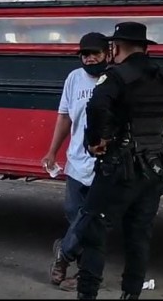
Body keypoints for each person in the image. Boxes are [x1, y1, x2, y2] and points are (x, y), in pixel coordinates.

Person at [66, 21, 163, 300]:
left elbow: (96, 105)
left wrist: (95, 141)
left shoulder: (115, 77)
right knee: (139, 235)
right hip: (154, 168)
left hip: (119, 166)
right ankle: (131, 294)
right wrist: (162, 145)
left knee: (94, 230)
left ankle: (87, 294)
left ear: (117, 47)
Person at [41, 32, 108, 291]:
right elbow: (64, 116)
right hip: (76, 163)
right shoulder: (74, 78)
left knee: (91, 220)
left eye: (96, 54)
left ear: (107, 54)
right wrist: (52, 151)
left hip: (102, 164)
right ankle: (68, 252)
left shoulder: (113, 80)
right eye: (85, 54)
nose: (90, 59)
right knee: (74, 215)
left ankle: (66, 257)